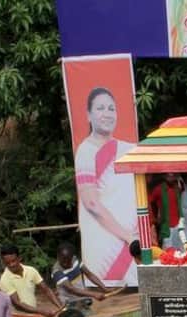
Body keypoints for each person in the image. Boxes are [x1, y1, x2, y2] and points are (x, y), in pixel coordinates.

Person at [75, 86, 138, 285]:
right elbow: (91, 203)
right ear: (88, 115)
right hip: (107, 241)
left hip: (133, 238)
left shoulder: (128, 149)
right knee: (113, 293)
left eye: (111, 108)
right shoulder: (86, 151)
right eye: (101, 108)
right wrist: (127, 236)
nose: (107, 114)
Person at [51, 243, 111, 309]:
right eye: (63, 260)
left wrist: (104, 288)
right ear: (58, 256)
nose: (65, 263)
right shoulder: (56, 271)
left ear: (72, 256)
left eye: (68, 260)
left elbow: (90, 275)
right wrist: (94, 294)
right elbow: (72, 289)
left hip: (82, 298)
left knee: (85, 316)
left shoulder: (76, 260)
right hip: (68, 302)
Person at [149, 173, 184, 244]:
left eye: (172, 171)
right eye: (167, 172)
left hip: (181, 227)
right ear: (163, 174)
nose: (170, 173)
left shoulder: (181, 187)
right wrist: (153, 220)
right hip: (167, 229)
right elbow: (149, 204)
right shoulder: (158, 189)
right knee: (169, 252)